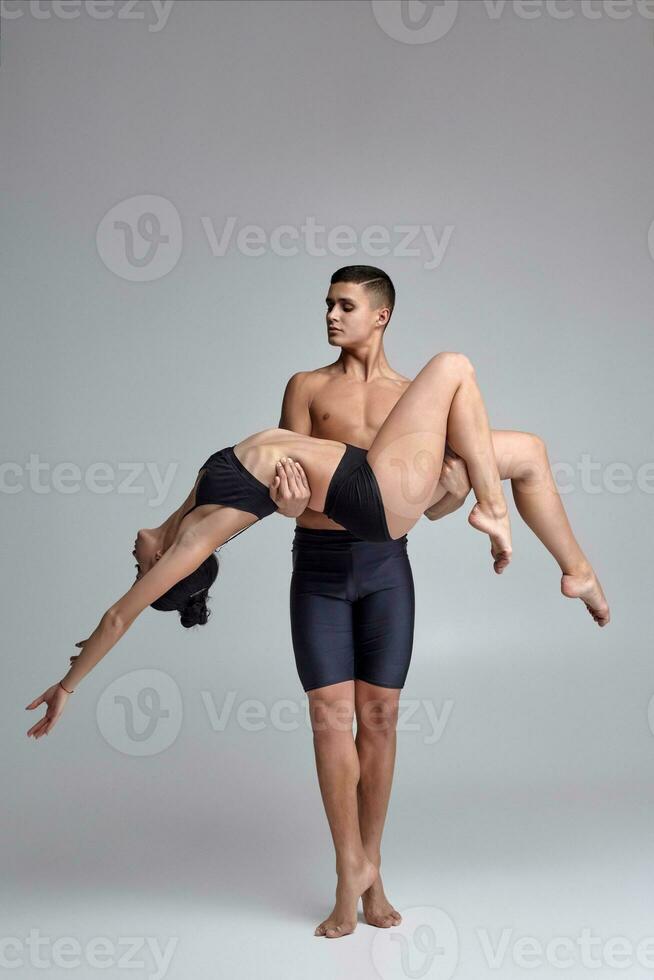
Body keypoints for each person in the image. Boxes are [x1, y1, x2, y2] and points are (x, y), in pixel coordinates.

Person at [264, 265, 610, 938]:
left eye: (345, 305)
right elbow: (292, 479)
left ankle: (376, 869)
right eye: (328, 305)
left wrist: (457, 492)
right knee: (330, 718)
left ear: (380, 316)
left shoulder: (413, 396)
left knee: (381, 719)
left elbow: (428, 505)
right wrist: (286, 502)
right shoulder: (307, 388)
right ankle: (347, 868)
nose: (331, 316)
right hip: (320, 568)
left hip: (386, 568)